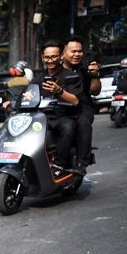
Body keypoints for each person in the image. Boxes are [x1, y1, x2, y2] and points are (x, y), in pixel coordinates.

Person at [38, 40, 81, 172]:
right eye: (46, 57)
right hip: (42, 118)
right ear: (42, 57)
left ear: (61, 56)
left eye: (53, 57)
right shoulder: (38, 78)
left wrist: (59, 91)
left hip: (63, 116)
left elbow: (75, 100)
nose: (50, 60)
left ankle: (59, 164)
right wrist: (11, 102)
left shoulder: (71, 76)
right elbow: (27, 95)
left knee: (68, 128)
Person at [62, 37, 100, 174]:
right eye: (73, 51)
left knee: (83, 123)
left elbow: (95, 91)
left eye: (79, 51)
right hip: (58, 108)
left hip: (82, 108)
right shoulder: (55, 70)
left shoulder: (84, 70)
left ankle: (81, 162)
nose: (77, 54)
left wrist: (95, 75)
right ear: (63, 53)